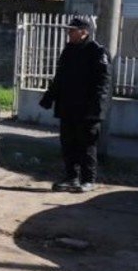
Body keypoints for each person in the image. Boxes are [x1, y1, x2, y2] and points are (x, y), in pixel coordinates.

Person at [39, 16, 110, 193]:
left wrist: (97, 109)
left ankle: (88, 180)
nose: (68, 33)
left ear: (84, 32)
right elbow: (60, 78)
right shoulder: (69, 51)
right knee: (68, 144)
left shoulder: (97, 52)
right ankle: (71, 178)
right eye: (68, 30)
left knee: (86, 146)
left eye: (72, 30)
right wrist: (49, 97)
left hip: (88, 110)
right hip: (68, 107)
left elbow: (104, 84)